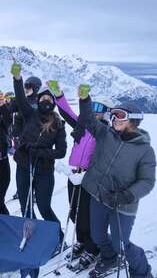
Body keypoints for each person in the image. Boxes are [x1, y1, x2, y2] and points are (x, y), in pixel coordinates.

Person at [77, 85, 156, 278]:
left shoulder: (145, 150)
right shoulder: (105, 134)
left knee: (121, 243)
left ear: (133, 121)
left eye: (120, 115)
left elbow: (147, 181)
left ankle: (142, 272)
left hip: (123, 204)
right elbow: (88, 120)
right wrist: (85, 99)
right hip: (99, 196)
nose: (114, 119)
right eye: (113, 115)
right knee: (97, 236)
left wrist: (126, 195)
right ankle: (109, 258)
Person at [48, 82, 114, 269]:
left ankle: (93, 248)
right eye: (93, 107)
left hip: (90, 179)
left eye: (99, 108)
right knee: (75, 213)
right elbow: (67, 112)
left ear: (107, 113)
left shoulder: (105, 132)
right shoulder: (82, 126)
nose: (94, 111)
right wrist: (58, 95)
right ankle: (83, 240)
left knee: (89, 215)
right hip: (73, 175)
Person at [10, 62, 67, 249]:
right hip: (24, 165)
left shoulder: (58, 124)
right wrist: (17, 79)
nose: (46, 102)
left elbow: (61, 151)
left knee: (44, 207)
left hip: (44, 170)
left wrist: (41, 152)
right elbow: (20, 97)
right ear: (39, 98)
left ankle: (59, 237)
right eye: (43, 98)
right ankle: (31, 234)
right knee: (26, 206)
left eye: (50, 100)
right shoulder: (30, 114)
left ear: (54, 103)